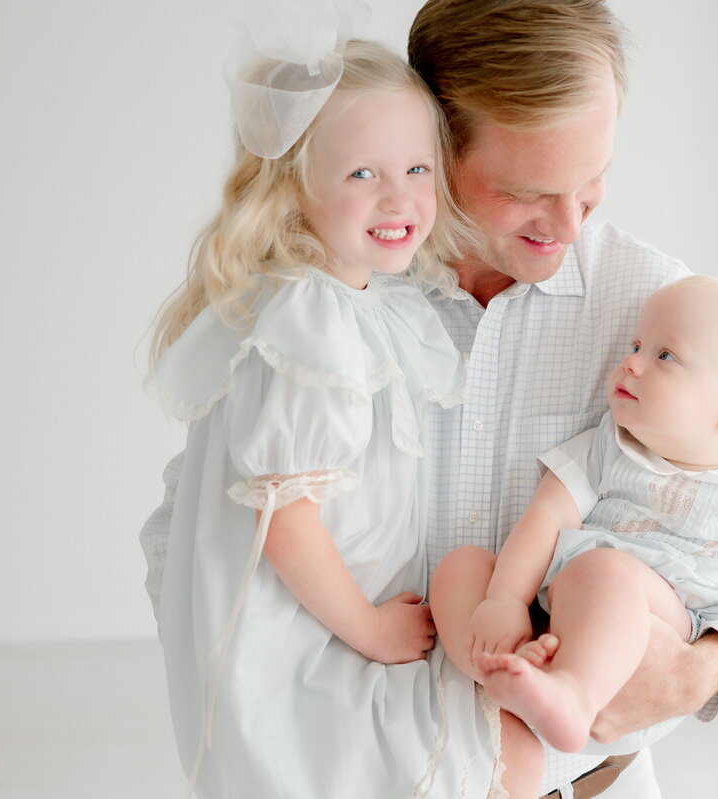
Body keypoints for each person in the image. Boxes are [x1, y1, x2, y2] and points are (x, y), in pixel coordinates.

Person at [142, 2, 718, 796]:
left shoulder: (656, 314)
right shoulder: (336, 297)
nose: (570, 224)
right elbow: (198, 523)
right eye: (528, 192)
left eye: (592, 183)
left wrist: (703, 668)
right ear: (434, 146)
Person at [143, 35, 519, 798]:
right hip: (313, 617)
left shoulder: (361, 299)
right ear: (295, 188)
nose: (399, 197)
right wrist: (371, 630)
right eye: (361, 173)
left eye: (417, 169)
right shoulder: (306, 318)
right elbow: (284, 518)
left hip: (347, 604)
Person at [431, 276, 718, 790]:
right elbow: (547, 516)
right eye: (638, 345)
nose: (632, 361)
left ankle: (572, 694)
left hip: (648, 651)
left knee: (602, 571)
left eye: (665, 357)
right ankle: (505, 684)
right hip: (550, 619)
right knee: (461, 566)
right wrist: (507, 600)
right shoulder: (611, 444)